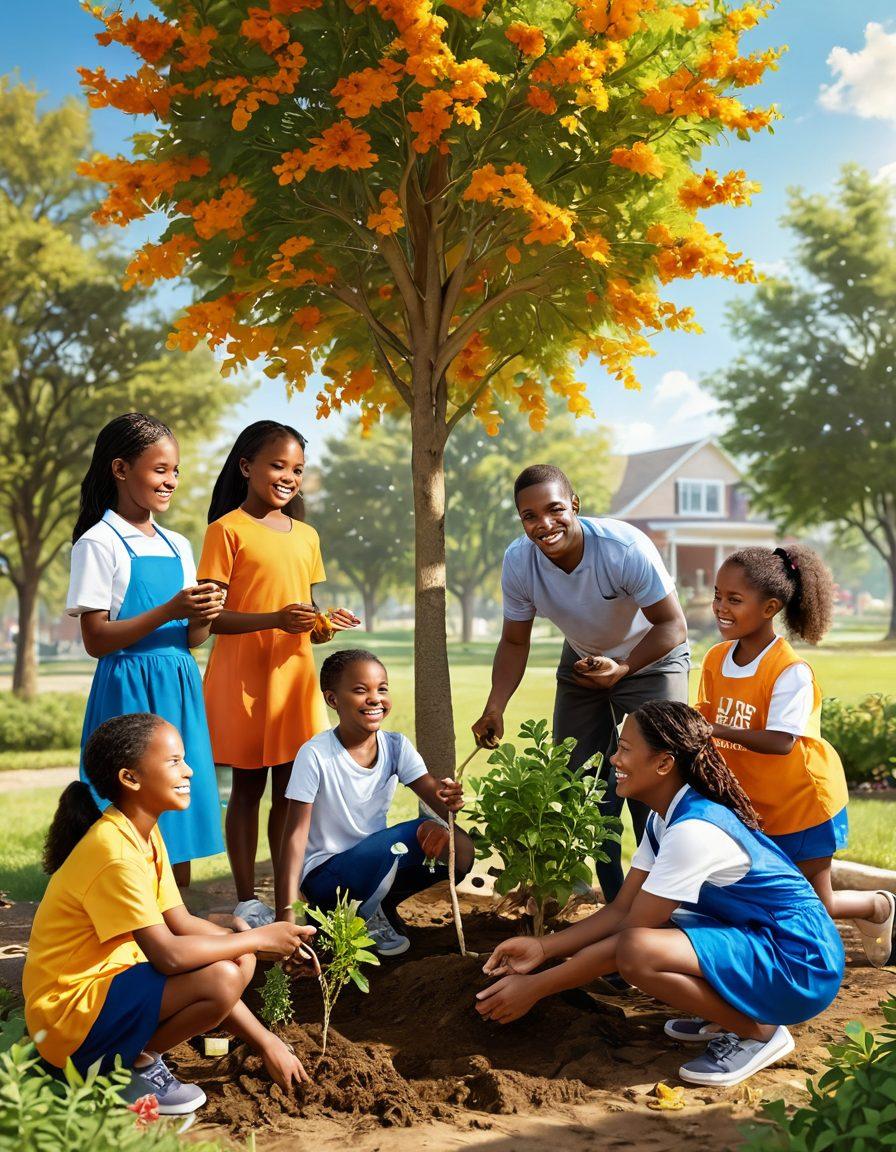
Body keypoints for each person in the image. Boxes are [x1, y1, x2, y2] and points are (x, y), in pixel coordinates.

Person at [475, 702, 845, 1087]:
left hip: (801, 963)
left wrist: (536, 987)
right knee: (659, 924)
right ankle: (730, 1011)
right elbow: (621, 909)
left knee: (640, 950)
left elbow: (628, 941)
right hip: (766, 940)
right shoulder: (664, 818)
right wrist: (542, 948)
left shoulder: (693, 831)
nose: (613, 757)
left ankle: (759, 1032)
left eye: (625, 749)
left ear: (664, 764)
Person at [23, 714, 316, 1114]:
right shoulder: (115, 853)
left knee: (237, 955)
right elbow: (169, 954)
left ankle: (134, 1056)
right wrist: (261, 938)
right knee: (225, 969)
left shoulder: (141, 830)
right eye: (174, 762)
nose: (190, 770)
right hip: (68, 1020)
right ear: (130, 778)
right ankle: (126, 1068)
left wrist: (261, 950)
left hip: (105, 991)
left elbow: (179, 922)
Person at [472, 464, 689, 903]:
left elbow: (673, 626)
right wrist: (495, 707)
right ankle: (613, 901)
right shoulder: (519, 561)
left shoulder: (622, 548)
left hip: (651, 656)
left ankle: (665, 903)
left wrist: (624, 667)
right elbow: (514, 641)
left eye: (554, 510)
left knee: (652, 782)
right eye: (529, 516)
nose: (543, 524)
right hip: (585, 659)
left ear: (575, 505)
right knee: (583, 787)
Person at [698, 544, 896, 967]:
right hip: (753, 803)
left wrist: (713, 729)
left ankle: (878, 907)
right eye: (718, 595)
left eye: (734, 599)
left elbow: (781, 740)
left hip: (804, 801)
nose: (720, 607)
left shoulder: (789, 669)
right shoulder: (715, 659)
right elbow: (703, 716)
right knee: (764, 895)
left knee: (813, 902)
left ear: (770, 607)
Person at [198, 421, 359, 928]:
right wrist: (273, 618)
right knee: (247, 789)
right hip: (243, 679)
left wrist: (325, 623)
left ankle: (282, 894)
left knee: (293, 793)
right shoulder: (225, 531)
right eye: (278, 465)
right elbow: (209, 619)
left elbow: (307, 619)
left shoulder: (307, 536)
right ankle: (248, 897)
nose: (289, 477)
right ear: (246, 466)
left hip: (293, 681)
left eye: (298, 470)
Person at [68, 413, 225, 888]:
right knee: (129, 805)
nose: (171, 481)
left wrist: (202, 614)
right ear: (120, 469)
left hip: (179, 685)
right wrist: (171, 607)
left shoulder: (179, 545)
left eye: (175, 470)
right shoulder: (99, 543)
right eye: (160, 470)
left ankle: (176, 918)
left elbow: (190, 637)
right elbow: (96, 639)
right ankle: (128, 916)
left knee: (177, 799)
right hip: (128, 688)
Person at [275, 649, 473, 956]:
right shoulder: (315, 754)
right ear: (332, 699)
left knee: (459, 848)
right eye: (359, 690)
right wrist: (286, 919)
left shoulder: (395, 746)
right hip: (327, 878)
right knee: (415, 833)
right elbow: (294, 837)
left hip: (376, 862)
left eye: (382, 689)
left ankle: (376, 907)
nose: (375, 698)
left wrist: (450, 799)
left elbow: (435, 796)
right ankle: (355, 914)